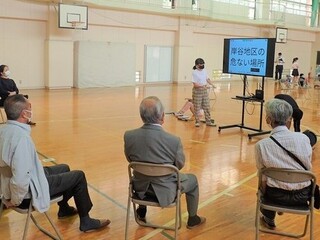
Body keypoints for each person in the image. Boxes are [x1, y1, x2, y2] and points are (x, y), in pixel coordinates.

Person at [0, 94, 110, 232]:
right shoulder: (21, 139)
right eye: (29, 108)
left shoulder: (3, 130)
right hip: (26, 193)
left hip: (14, 183)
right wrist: (14, 201)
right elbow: (21, 178)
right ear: (24, 114)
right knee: (78, 176)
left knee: (65, 167)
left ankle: (64, 209)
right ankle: (86, 221)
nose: (31, 111)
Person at [124, 96, 206, 229]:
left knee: (143, 171)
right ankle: (193, 218)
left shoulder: (129, 136)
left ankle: (142, 207)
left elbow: (130, 159)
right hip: (166, 191)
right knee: (193, 180)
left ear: (141, 116)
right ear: (162, 116)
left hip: (139, 189)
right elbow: (179, 165)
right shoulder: (173, 141)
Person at [255, 98, 312, 230]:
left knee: (263, 184)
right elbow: (308, 168)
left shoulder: (261, 146)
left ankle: (269, 218)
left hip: (275, 197)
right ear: (289, 120)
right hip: (302, 196)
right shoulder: (304, 139)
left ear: (268, 120)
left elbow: (262, 180)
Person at [192, 58, 215, 127]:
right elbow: (195, 84)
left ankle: (208, 121)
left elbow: (207, 79)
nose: (202, 66)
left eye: (202, 64)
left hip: (204, 91)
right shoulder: (194, 72)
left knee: (207, 106)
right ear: (196, 65)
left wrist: (212, 84)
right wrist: (203, 87)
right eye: (200, 65)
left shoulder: (205, 71)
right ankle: (197, 121)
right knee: (197, 107)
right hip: (197, 91)